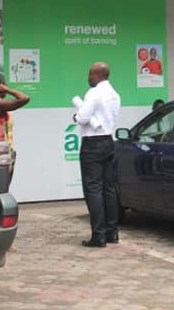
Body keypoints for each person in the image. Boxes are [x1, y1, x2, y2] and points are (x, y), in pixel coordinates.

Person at [74, 62, 121, 248]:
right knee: (108, 188)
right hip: (108, 141)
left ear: (96, 75)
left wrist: (76, 117)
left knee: (93, 189)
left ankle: (98, 236)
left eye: (89, 74)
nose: (88, 77)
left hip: (92, 144)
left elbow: (83, 118)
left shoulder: (93, 93)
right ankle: (112, 233)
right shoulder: (114, 94)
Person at [0, 73, 30, 176]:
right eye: (4, 84)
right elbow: (25, 98)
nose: (6, 86)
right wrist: (8, 90)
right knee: (3, 187)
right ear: (0, 87)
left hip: (2, 152)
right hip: (2, 154)